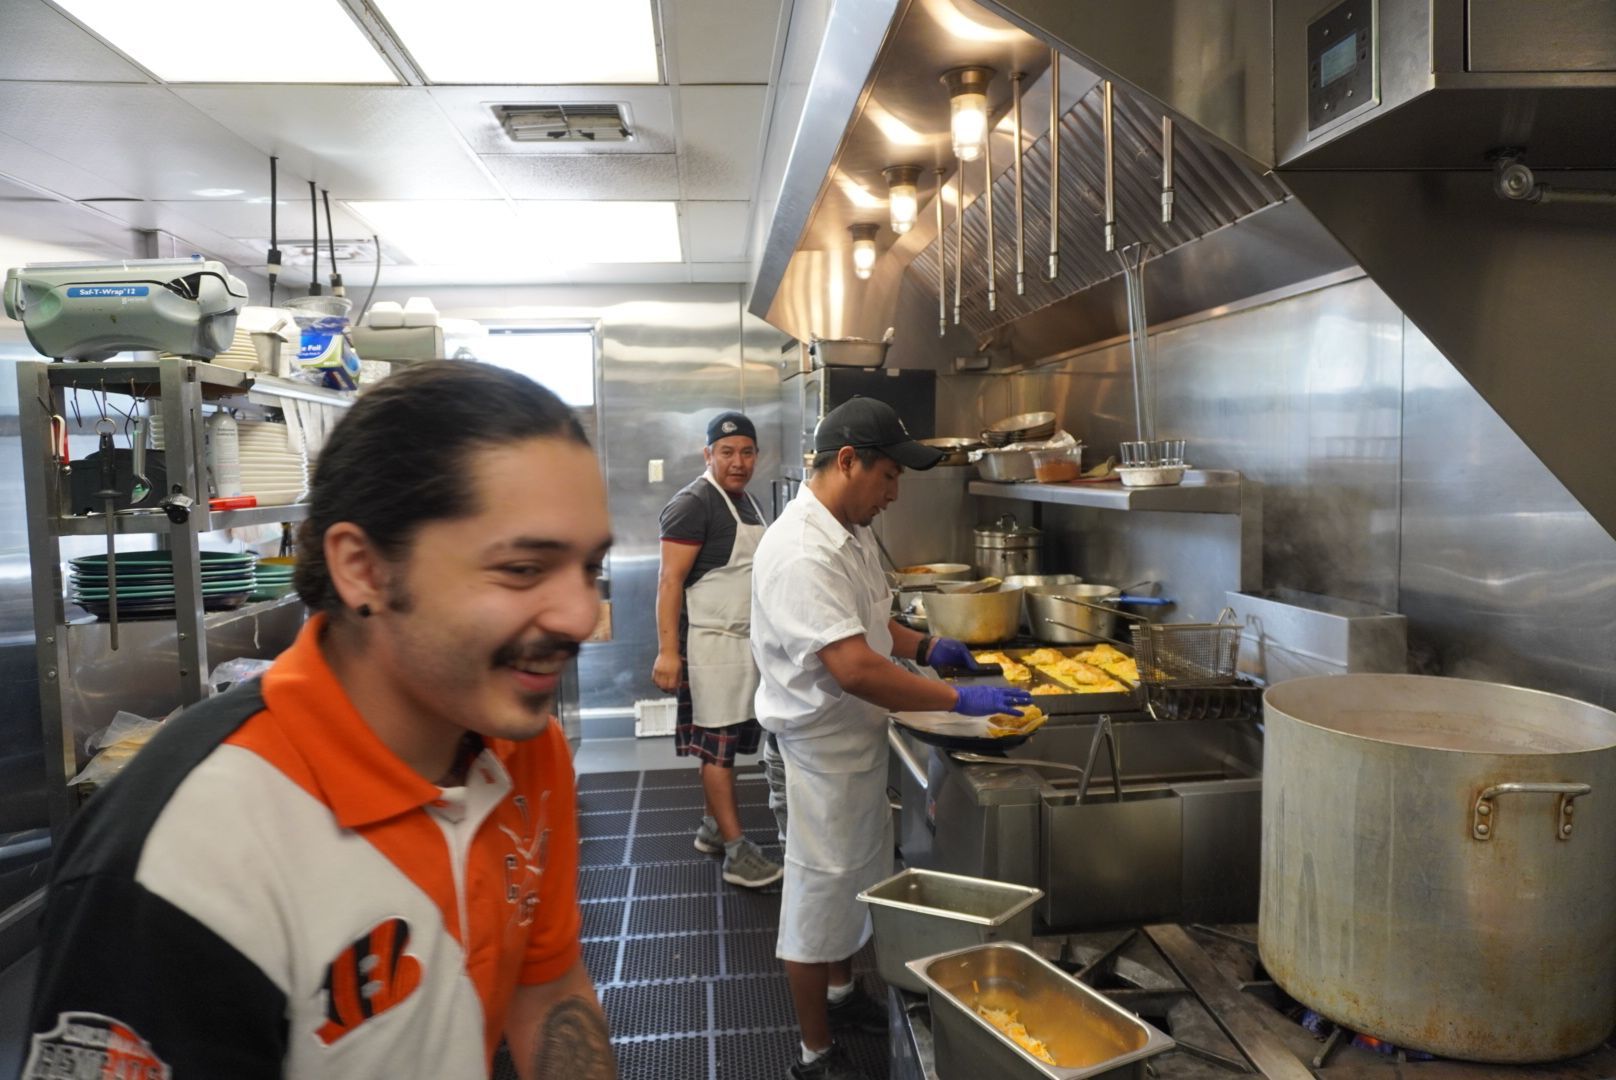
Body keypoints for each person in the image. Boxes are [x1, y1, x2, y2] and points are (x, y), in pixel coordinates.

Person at [23, 362, 616, 1080]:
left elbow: (547, 988)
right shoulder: (179, 856)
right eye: (522, 569)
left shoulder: (522, 748)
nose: (580, 615)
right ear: (362, 568)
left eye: (590, 568)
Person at [751, 397, 1034, 1080]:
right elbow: (852, 667)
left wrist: (927, 646)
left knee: (854, 883)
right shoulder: (802, 552)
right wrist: (958, 699)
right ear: (848, 462)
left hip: (853, 747)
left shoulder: (847, 533)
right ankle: (814, 1055)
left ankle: (842, 994)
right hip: (817, 757)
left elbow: (870, 629)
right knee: (814, 904)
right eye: (889, 476)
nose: (894, 493)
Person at [652, 410, 783, 888]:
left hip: (743, 644)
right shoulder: (694, 504)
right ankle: (736, 851)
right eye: (727, 452)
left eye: (747, 452)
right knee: (718, 752)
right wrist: (668, 653)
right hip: (710, 645)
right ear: (708, 454)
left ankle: (712, 828)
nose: (738, 462)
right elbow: (669, 582)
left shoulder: (748, 503)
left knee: (725, 746)